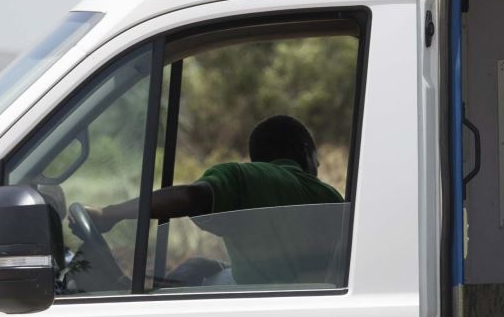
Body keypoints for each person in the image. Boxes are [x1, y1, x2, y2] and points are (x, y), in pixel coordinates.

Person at [86, 114, 343, 286]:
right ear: (306, 152)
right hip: (309, 301)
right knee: (200, 266)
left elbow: (192, 196)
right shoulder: (331, 197)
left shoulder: (244, 178)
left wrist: (109, 214)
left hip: (255, 305)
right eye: (316, 157)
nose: (318, 164)